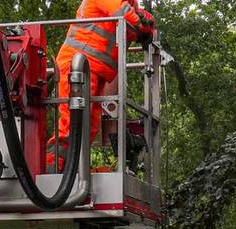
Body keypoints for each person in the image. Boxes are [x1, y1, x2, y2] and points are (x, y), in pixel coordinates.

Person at [45, 0, 155, 171]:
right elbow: (123, 14)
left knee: (89, 127)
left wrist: (145, 25)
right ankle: (53, 170)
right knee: (71, 126)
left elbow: (131, 25)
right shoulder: (119, 4)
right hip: (77, 65)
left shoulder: (129, 4)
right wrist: (142, 25)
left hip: (92, 69)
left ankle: (74, 172)